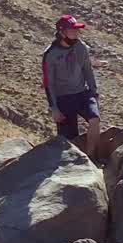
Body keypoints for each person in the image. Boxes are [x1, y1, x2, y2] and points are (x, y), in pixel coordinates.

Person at [42, 14, 101, 159]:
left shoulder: (80, 47)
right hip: (64, 98)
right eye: (72, 30)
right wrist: (54, 109)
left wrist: (93, 92)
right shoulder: (50, 54)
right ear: (62, 32)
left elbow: (87, 69)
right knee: (69, 139)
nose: (76, 33)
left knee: (95, 119)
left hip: (82, 93)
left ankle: (91, 158)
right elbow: (49, 83)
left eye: (76, 30)